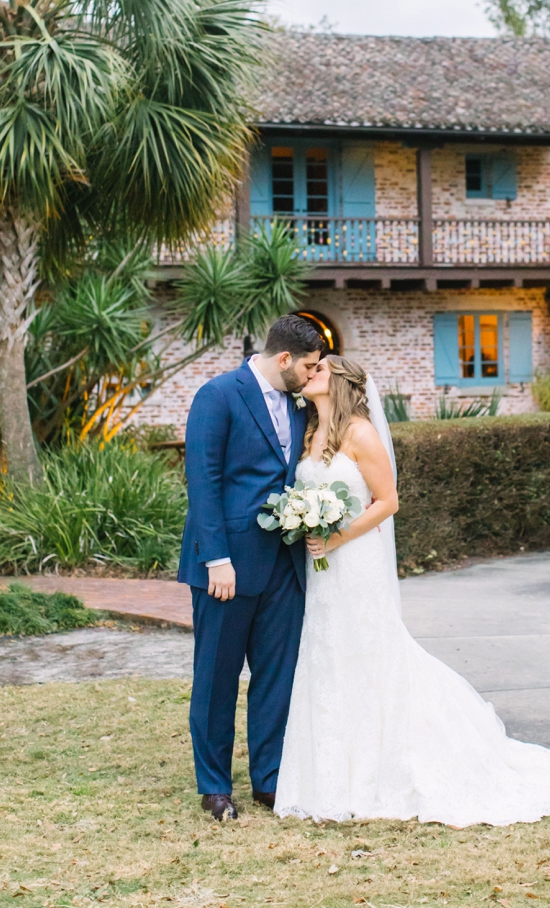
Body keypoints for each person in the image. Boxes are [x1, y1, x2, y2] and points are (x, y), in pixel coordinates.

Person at [274, 355, 550, 826]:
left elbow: (388, 501)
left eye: (320, 369)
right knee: (330, 653)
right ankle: (334, 777)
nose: (310, 373)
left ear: (342, 381)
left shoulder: (361, 433)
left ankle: (386, 768)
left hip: (353, 559)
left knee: (370, 651)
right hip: (322, 568)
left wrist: (338, 534)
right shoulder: (311, 433)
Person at [178, 314, 323, 821]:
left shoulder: (300, 404)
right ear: (283, 358)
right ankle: (215, 786)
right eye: (307, 366)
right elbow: (203, 481)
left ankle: (270, 778)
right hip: (226, 568)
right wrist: (216, 558)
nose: (311, 376)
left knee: (276, 677)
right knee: (217, 677)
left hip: (285, 564)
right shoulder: (217, 396)